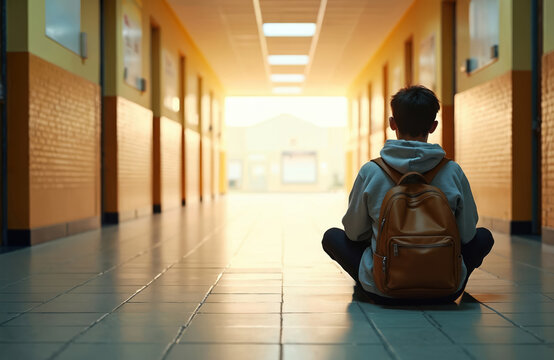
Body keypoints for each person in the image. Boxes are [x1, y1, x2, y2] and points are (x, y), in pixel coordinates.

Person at [322, 85, 494, 304]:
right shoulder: (452, 171)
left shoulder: (371, 171)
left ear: (392, 124)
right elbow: (468, 234)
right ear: (433, 126)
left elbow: (355, 233)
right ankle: (447, 281)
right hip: (445, 289)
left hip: (383, 288)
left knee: (332, 236)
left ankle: (372, 283)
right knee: (484, 236)